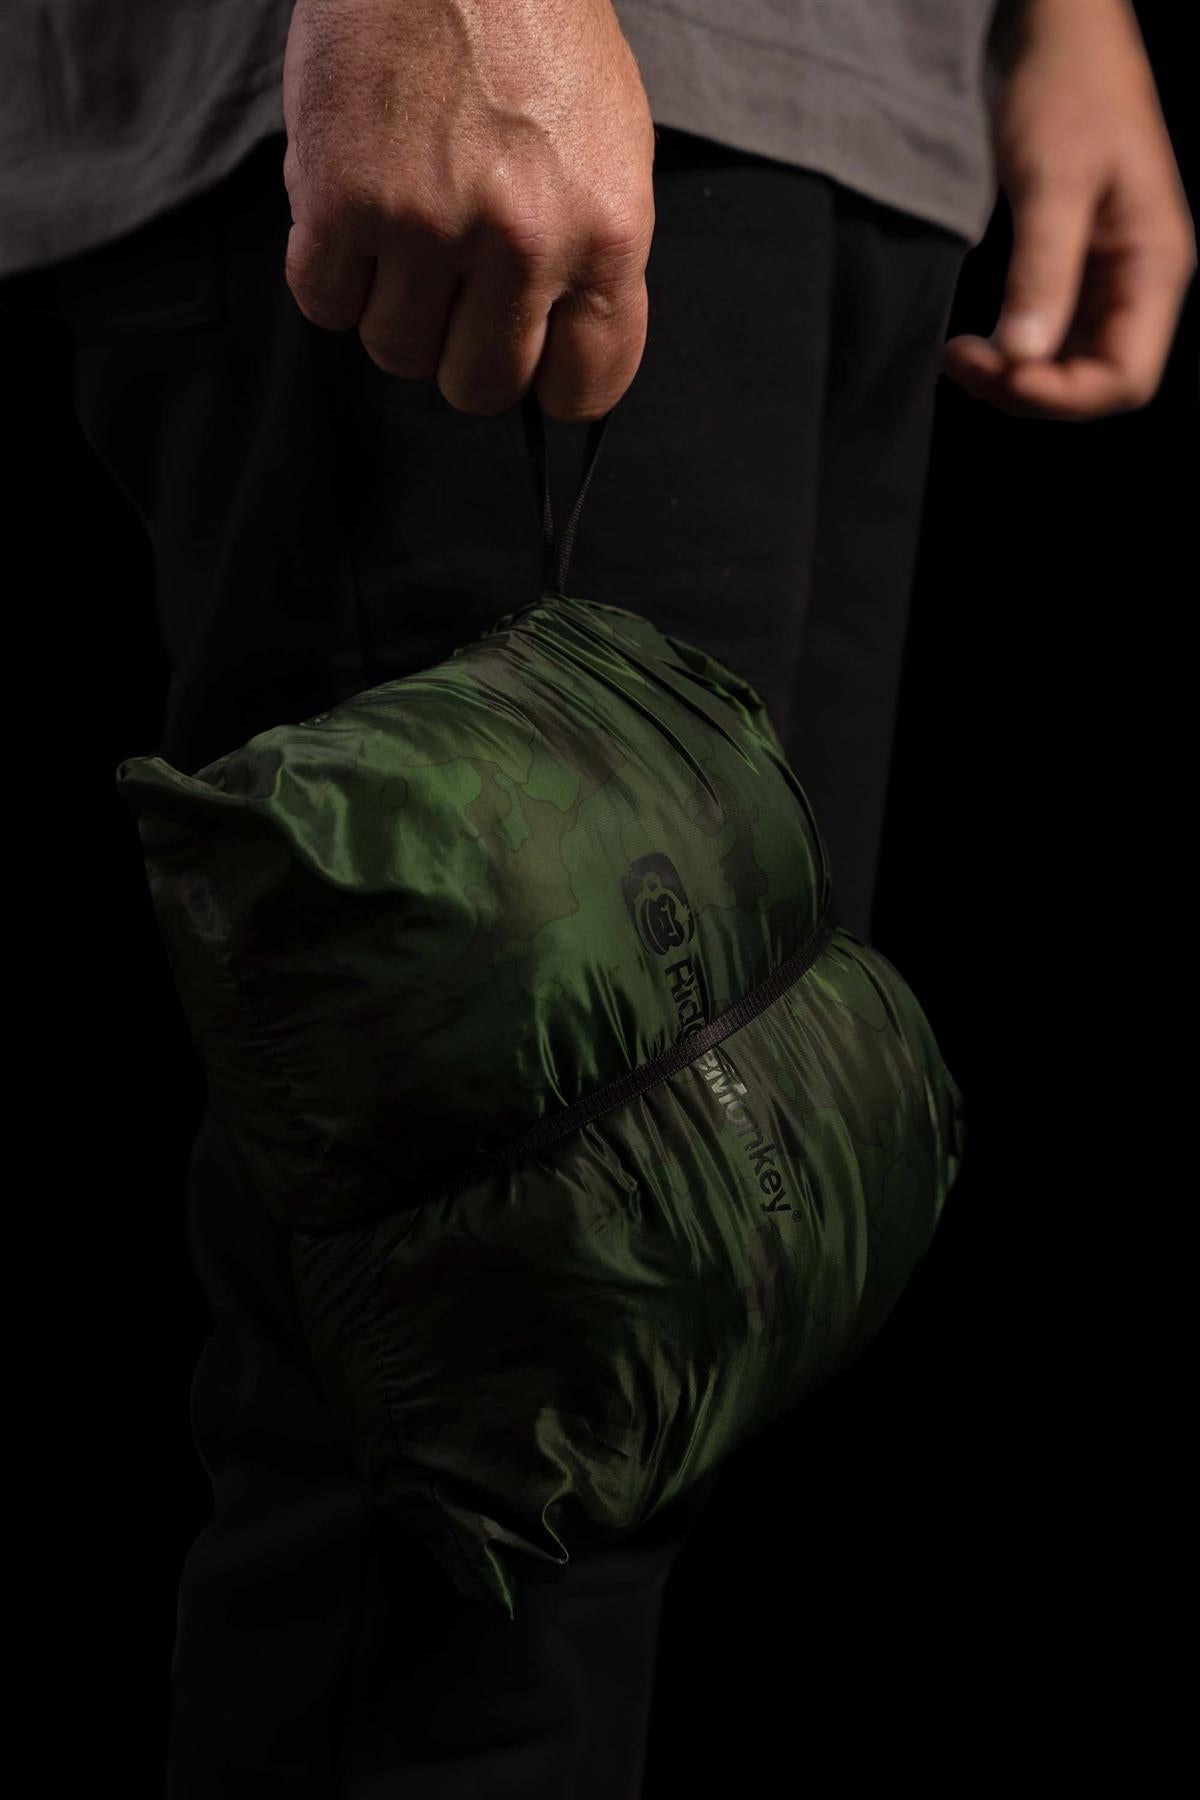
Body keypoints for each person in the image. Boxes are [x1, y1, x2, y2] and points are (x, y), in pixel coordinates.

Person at [1, 3, 1193, 1795]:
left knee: (686, 1349)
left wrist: (1056, 25)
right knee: (478, 1481)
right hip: (527, 104)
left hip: (836, 111)